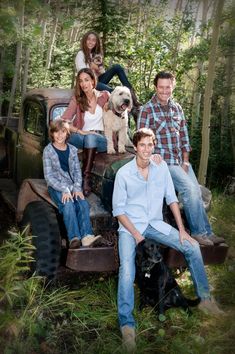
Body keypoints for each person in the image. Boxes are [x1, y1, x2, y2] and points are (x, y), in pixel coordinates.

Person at [112, 128, 224, 352]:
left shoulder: (161, 167)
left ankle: (205, 299)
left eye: (150, 145)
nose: (146, 149)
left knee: (192, 246)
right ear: (135, 147)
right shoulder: (123, 174)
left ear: (154, 146)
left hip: (155, 223)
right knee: (126, 270)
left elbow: (172, 198)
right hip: (131, 228)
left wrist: (182, 230)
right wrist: (137, 237)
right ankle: (127, 325)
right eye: (142, 145)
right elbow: (118, 211)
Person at [138, 71, 225, 246]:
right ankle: (199, 234)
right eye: (161, 87)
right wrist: (151, 155)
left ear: (173, 87)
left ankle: (208, 232)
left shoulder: (177, 108)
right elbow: (141, 138)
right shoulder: (147, 109)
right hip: (163, 163)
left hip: (180, 161)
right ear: (156, 87)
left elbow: (184, 137)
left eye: (168, 87)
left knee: (197, 191)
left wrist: (185, 161)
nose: (164, 91)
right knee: (190, 190)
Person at [43, 119, 101, 249]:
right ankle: (74, 237)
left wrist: (76, 187)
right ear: (52, 134)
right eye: (56, 132)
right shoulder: (48, 151)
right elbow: (49, 177)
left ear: (67, 133)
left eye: (63, 132)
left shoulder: (73, 150)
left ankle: (87, 236)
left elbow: (76, 172)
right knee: (68, 204)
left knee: (82, 203)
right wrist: (64, 189)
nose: (59, 135)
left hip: (72, 185)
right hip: (57, 186)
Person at [61, 68, 109, 197]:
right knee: (81, 136)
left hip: (102, 138)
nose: (83, 84)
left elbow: (121, 110)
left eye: (86, 80)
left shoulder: (105, 96)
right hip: (83, 136)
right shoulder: (77, 99)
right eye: (80, 81)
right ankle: (85, 178)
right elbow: (63, 121)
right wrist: (78, 131)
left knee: (91, 138)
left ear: (93, 81)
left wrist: (110, 107)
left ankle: (85, 177)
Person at [75, 30, 141, 116]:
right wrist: (92, 67)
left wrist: (99, 69)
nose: (91, 42)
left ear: (96, 42)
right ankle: (127, 108)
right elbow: (82, 73)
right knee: (112, 91)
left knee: (117, 67)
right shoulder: (81, 54)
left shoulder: (95, 54)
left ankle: (133, 98)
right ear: (85, 40)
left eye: (94, 40)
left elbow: (101, 72)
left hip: (97, 80)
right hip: (88, 84)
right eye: (89, 39)